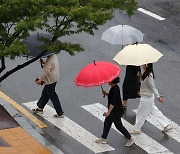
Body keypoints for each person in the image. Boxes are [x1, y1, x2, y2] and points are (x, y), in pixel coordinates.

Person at [130, 63, 172, 134]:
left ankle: (136, 129)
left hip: (146, 98)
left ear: (146, 65)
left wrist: (158, 96)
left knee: (140, 113)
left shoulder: (149, 75)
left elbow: (153, 86)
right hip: (148, 96)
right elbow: (145, 83)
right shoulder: (146, 73)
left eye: (143, 64)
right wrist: (140, 77)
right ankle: (166, 125)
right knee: (155, 111)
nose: (142, 65)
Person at [95, 77, 134, 147]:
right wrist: (106, 93)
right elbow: (112, 97)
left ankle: (130, 138)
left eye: (109, 80)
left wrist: (108, 112)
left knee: (118, 126)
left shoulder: (115, 89)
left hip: (116, 111)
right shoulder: (114, 88)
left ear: (112, 81)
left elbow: (113, 103)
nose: (108, 81)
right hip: (114, 111)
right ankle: (103, 138)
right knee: (107, 123)